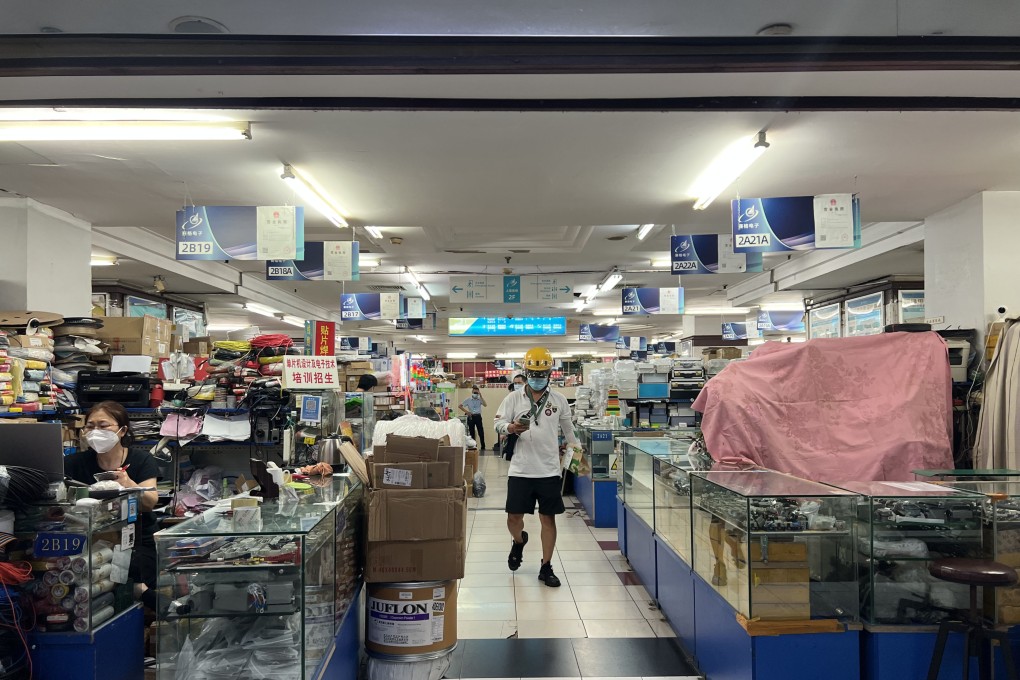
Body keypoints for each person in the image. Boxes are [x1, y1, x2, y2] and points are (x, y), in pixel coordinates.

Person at [63, 401, 161, 611]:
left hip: (134, 541)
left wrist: (129, 484)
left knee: (125, 576)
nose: (95, 431)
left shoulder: (142, 460)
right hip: (89, 540)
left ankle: (142, 596)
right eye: (90, 426)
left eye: (103, 425)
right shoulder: (73, 463)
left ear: (122, 430)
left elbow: (150, 502)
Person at [495, 348, 579, 587]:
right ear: (526, 372)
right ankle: (519, 541)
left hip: (549, 469)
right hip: (520, 469)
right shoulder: (513, 398)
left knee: (548, 519)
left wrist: (577, 455)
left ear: (550, 373)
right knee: (513, 518)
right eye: (533, 373)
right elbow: (497, 423)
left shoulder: (559, 400)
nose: (537, 377)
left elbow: (570, 432)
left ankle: (546, 566)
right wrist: (511, 428)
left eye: (542, 373)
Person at [459, 386, 487, 450]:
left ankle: (483, 446)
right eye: (474, 392)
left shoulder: (480, 399)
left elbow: (485, 405)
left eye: (477, 393)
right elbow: (460, 406)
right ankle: (473, 446)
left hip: (478, 416)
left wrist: (481, 396)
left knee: (481, 431)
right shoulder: (468, 400)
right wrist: (467, 412)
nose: (475, 394)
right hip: (471, 416)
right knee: (472, 432)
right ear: (472, 392)